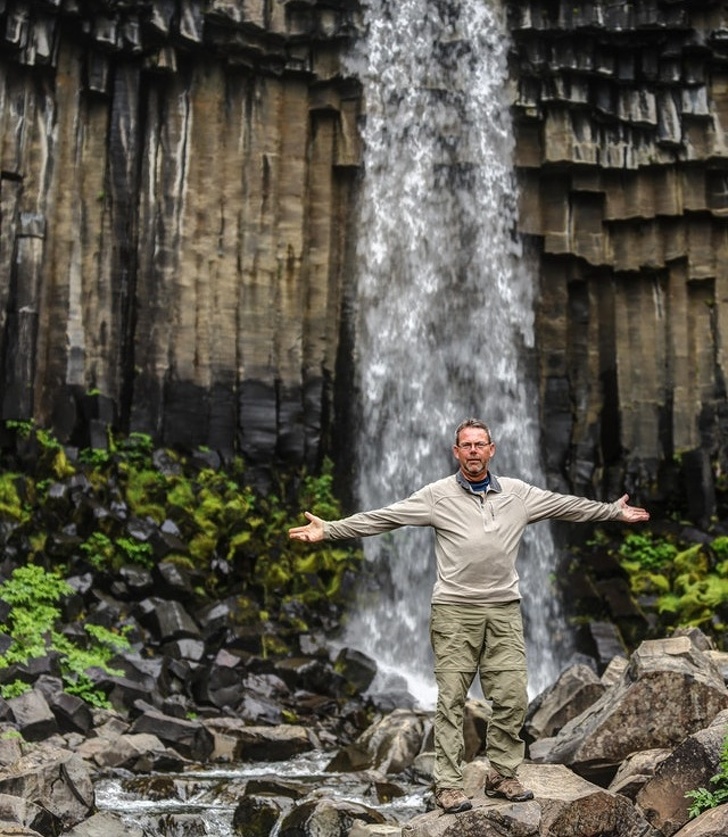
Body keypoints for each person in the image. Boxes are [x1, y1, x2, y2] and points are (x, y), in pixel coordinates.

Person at [288, 418, 650, 813]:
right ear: (456, 451)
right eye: (466, 445)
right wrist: (331, 530)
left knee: (512, 697)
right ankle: (447, 784)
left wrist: (613, 512)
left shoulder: (519, 494)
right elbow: (385, 516)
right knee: (452, 701)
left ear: (492, 449)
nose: (474, 451)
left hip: (504, 610)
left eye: (480, 444)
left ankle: (502, 775)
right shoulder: (436, 495)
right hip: (454, 612)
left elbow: (568, 505)